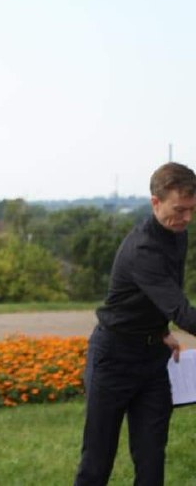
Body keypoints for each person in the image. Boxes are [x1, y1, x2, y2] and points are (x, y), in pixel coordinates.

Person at [74, 162, 196, 485]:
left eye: (192, 209)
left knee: (152, 459)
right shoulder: (143, 248)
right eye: (179, 209)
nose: (187, 218)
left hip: (152, 362)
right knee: (97, 463)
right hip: (112, 360)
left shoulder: (177, 235)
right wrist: (169, 323)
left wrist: (159, 331)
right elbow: (181, 310)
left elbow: (163, 296)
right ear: (155, 202)